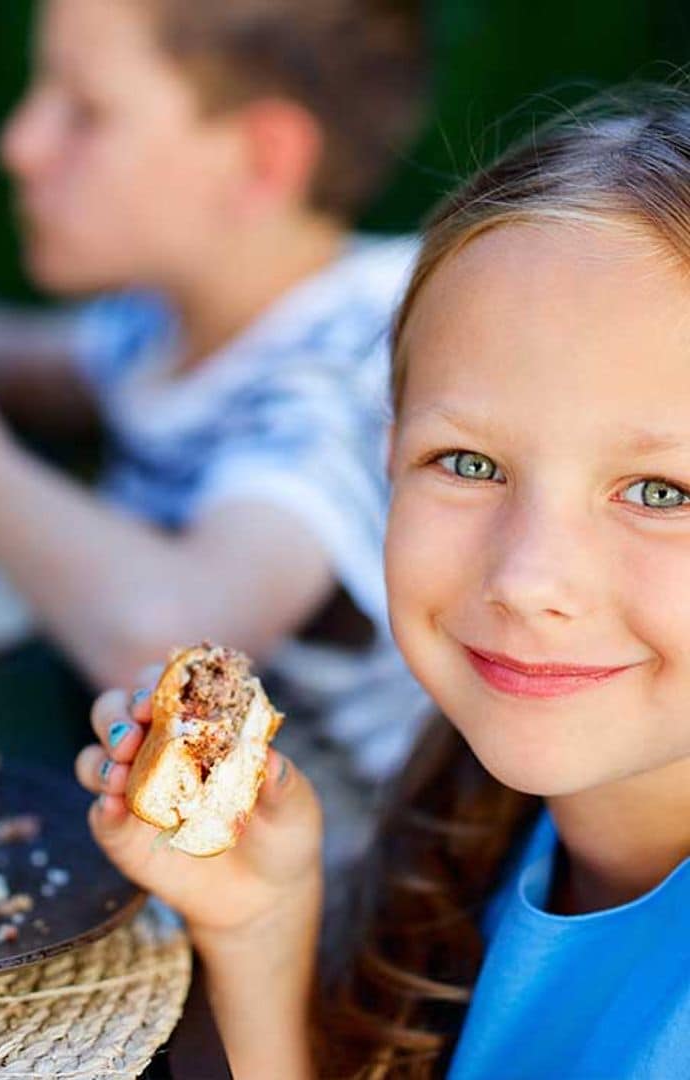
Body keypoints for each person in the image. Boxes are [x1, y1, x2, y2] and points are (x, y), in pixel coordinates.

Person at [76, 89, 690, 1078]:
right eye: (469, 463)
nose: (529, 578)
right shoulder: (483, 834)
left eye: (660, 489)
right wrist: (262, 930)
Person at [0, 0, 431, 785]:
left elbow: (182, 649)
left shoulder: (353, 369)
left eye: (85, 113)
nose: (20, 144)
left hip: (327, 892)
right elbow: (6, 351)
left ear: (258, 162)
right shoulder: (171, 324)